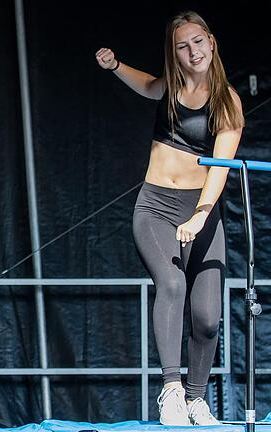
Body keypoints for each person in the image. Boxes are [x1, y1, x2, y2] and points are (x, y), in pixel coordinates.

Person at [96, 10, 243, 426]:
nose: (192, 51)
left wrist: (200, 215)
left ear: (211, 42)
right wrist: (115, 66)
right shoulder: (172, 87)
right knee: (172, 283)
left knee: (208, 317)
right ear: (174, 53)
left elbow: (220, 167)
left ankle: (197, 399)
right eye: (182, 46)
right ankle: (173, 390)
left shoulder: (227, 100)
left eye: (198, 42)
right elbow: (147, 84)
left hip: (201, 211)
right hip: (156, 207)